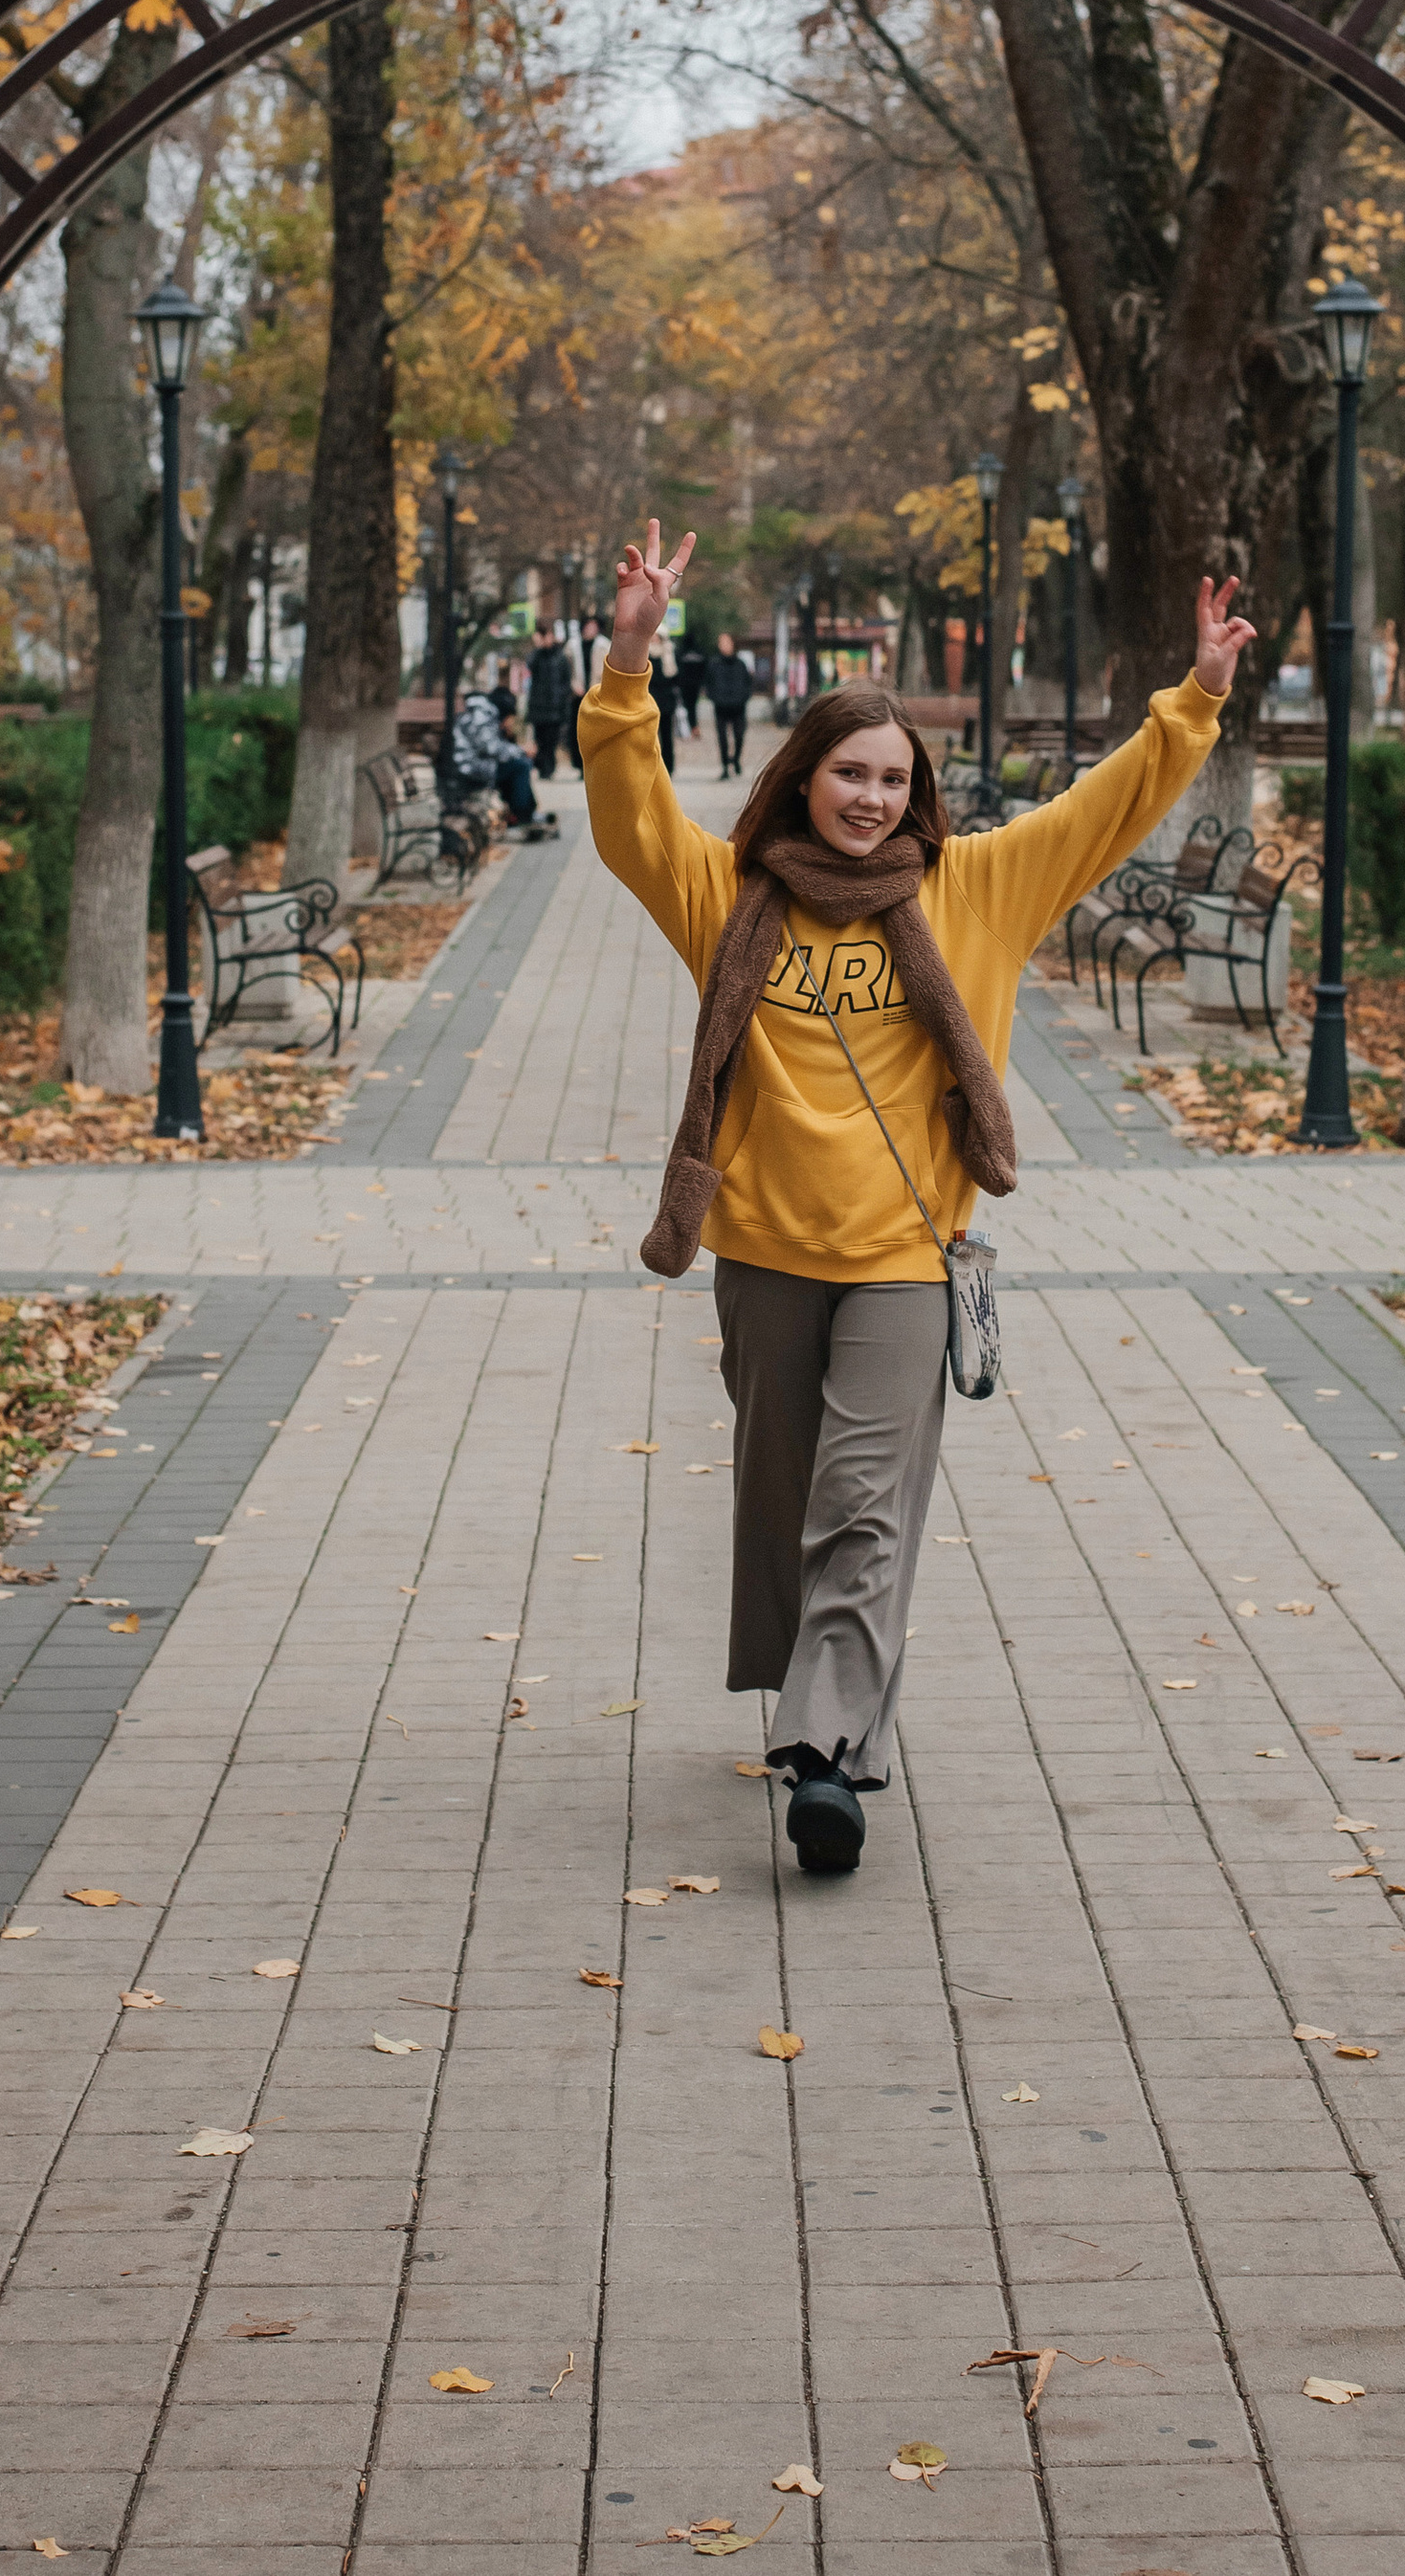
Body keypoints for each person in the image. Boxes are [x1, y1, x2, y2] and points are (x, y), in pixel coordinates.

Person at [580, 517, 1250, 1881]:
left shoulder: (977, 889)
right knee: (783, 1498)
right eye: (847, 774)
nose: (871, 799)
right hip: (764, 1252)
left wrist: (1195, 703)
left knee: (865, 1504)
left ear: (917, 790)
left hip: (903, 1256)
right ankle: (813, 1691)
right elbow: (630, 812)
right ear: (803, 779)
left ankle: (824, 1755)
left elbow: (1103, 809)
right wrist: (631, 655)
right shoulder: (730, 894)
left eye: (893, 778)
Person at [452, 683, 552, 840]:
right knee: (520, 766)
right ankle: (523, 816)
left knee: (517, 765)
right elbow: (491, 748)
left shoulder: (483, 712)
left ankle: (526, 813)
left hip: (473, 765)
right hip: (469, 768)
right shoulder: (482, 714)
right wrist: (521, 750)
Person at [524, 621, 576, 779]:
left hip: (555, 707)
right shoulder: (537, 655)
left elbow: (566, 679)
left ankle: (549, 768)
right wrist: (538, 648)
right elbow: (529, 665)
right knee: (540, 739)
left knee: (551, 740)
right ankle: (543, 768)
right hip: (539, 706)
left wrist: (562, 699)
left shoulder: (560, 656)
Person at [708, 630, 756, 780]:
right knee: (722, 738)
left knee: (739, 735)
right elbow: (709, 683)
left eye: (727, 642)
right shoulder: (714, 663)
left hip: (738, 706)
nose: (724, 646)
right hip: (721, 706)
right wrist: (715, 697)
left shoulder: (740, 664)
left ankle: (735, 760)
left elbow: (748, 683)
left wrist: (743, 697)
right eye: (721, 643)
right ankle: (724, 766)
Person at [648, 643, 682, 773]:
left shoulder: (670, 653)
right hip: (649, 700)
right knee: (650, 737)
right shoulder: (646, 653)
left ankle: (668, 767)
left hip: (666, 701)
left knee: (667, 736)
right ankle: (652, 766)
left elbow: (677, 676)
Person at [675, 629, 709, 734]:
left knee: (685, 706)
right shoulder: (700, 652)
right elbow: (705, 669)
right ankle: (693, 727)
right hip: (695, 685)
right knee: (693, 706)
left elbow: (677, 669)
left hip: (684, 684)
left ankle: (687, 728)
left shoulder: (681, 653)